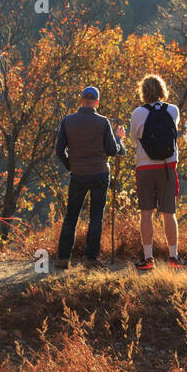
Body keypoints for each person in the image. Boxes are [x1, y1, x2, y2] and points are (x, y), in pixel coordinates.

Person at [54, 86, 128, 270]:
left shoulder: (68, 121)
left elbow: (58, 150)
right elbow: (112, 151)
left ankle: (63, 258)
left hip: (78, 175)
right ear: (97, 102)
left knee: (71, 216)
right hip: (100, 174)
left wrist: (71, 165)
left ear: (81, 100)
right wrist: (119, 139)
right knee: (96, 216)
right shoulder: (103, 122)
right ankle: (91, 259)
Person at [130, 74, 184, 270]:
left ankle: (148, 258)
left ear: (143, 92)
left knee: (146, 212)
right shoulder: (173, 110)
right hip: (168, 167)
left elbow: (134, 138)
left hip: (145, 167)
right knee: (169, 213)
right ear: (162, 90)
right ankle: (174, 257)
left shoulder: (137, 113)